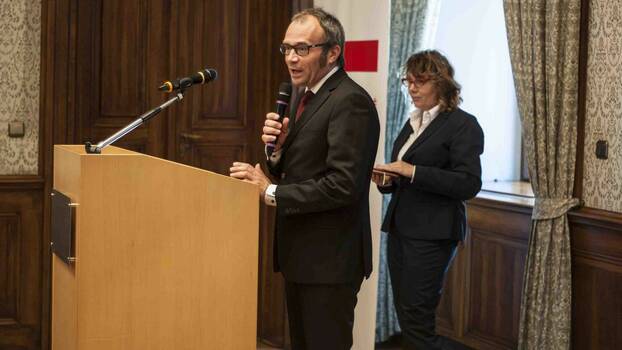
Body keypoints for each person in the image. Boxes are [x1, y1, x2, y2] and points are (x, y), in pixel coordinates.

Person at [229, 8, 380, 350]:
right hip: (303, 255)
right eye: (286, 49)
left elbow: (344, 185)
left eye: (302, 49)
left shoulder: (349, 100)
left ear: (333, 52)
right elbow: (301, 168)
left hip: (330, 261)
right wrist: (277, 152)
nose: (291, 59)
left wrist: (269, 190)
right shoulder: (304, 96)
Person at [372, 50, 484, 349]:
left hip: (433, 233)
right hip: (400, 227)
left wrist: (413, 171)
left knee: (418, 316)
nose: (411, 88)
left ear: (441, 82)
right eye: (408, 81)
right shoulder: (413, 121)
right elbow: (404, 177)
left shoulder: (463, 124)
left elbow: (469, 183)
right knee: (405, 312)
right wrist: (387, 180)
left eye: (419, 81)